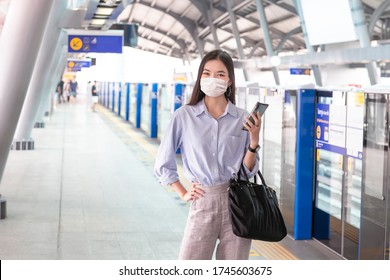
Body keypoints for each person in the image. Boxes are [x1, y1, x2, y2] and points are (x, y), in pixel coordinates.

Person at [154, 49, 262, 260]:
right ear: (200, 78)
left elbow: (247, 171)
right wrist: (183, 192)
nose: (213, 78)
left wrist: (254, 141)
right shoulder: (184, 116)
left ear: (229, 80)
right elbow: (163, 163)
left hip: (237, 202)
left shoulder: (242, 117)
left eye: (220, 74)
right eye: (207, 73)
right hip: (203, 199)